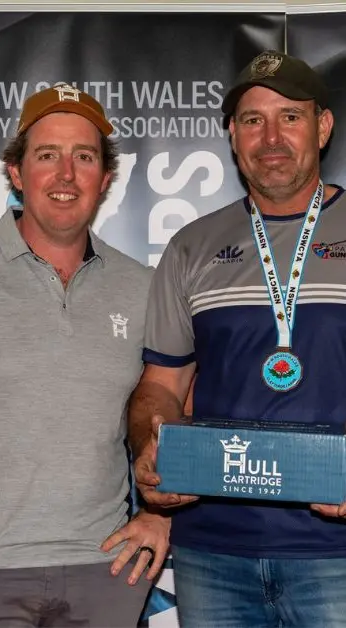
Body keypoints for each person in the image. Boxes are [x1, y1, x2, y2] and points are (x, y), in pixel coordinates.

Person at [0, 83, 168, 627]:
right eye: (47, 155)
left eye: (84, 157)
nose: (66, 175)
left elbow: (175, 401)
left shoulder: (143, 286)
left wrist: (163, 516)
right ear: (16, 171)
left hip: (105, 574)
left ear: (105, 178)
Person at [129, 50, 346, 627]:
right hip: (214, 555)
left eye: (290, 116)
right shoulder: (192, 246)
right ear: (232, 134)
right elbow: (160, 385)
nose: (271, 137)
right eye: (253, 120)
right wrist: (148, 449)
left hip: (337, 553)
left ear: (323, 126)